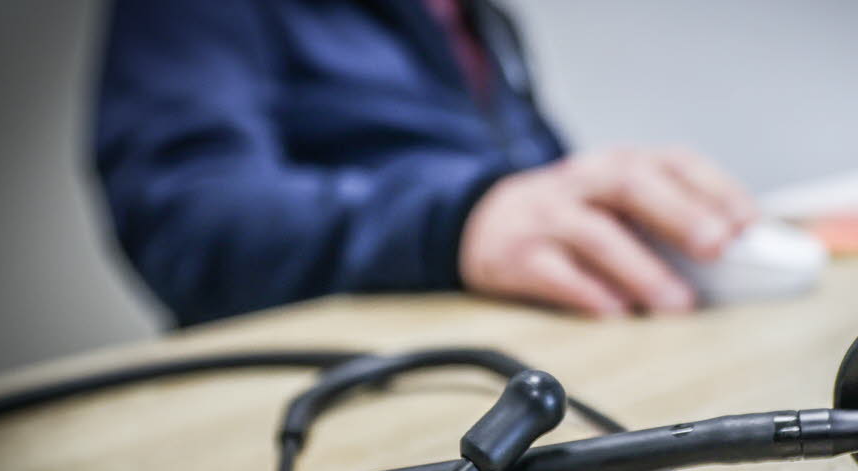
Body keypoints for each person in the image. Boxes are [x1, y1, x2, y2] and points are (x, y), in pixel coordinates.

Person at [96, 0, 760, 326]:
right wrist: (458, 220)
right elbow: (184, 215)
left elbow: (532, 175)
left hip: (527, 345)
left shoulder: (480, 20)